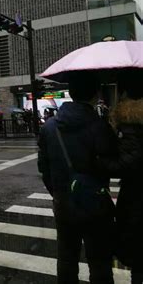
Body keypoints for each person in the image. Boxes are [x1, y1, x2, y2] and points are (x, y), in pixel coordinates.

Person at [37, 72, 117, 284]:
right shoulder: (100, 126)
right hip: (95, 202)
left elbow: (44, 168)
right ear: (95, 94)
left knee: (66, 258)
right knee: (100, 262)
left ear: (71, 93)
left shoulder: (49, 128)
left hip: (64, 203)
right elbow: (112, 165)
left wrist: (59, 192)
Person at [98, 70, 143, 284]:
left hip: (136, 195)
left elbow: (128, 164)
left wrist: (102, 162)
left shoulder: (130, 120)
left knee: (137, 253)